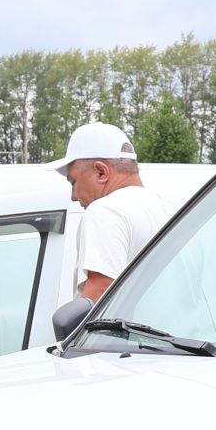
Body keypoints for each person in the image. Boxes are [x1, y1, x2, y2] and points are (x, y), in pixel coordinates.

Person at [56, 122, 172, 300]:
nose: (73, 196)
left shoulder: (105, 211)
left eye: (73, 182)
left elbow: (99, 295)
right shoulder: (168, 210)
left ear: (101, 172)